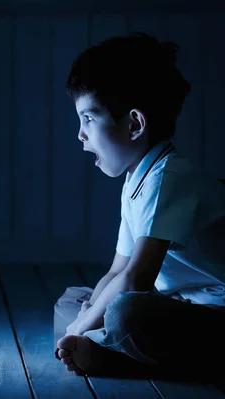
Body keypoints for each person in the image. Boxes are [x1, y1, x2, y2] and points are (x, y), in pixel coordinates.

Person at [53, 32, 225, 379]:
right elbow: (118, 270)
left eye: (88, 119)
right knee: (73, 300)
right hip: (178, 305)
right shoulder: (137, 179)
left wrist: (80, 329)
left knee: (125, 312)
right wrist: (83, 318)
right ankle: (106, 346)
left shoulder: (171, 176)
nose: (80, 135)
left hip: (215, 313)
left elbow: (136, 279)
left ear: (134, 124)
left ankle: (113, 357)